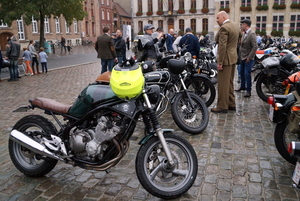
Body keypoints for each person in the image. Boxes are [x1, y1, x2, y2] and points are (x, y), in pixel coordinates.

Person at [211, 11, 241, 113]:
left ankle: (222, 106)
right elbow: (240, 37)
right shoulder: (235, 26)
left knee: (223, 84)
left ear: (224, 17)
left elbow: (222, 47)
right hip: (233, 57)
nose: (217, 20)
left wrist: (220, 62)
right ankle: (231, 104)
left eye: (218, 18)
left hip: (226, 59)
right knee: (230, 83)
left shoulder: (224, 28)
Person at [235, 19, 258, 98]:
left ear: (245, 25)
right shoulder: (243, 34)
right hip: (242, 56)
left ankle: (248, 90)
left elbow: (255, 46)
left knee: (247, 74)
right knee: (241, 72)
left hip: (248, 57)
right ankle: (242, 86)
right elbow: (241, 44)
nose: (241, 26)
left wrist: (250, 57)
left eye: (242, 25)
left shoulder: (252, 34)